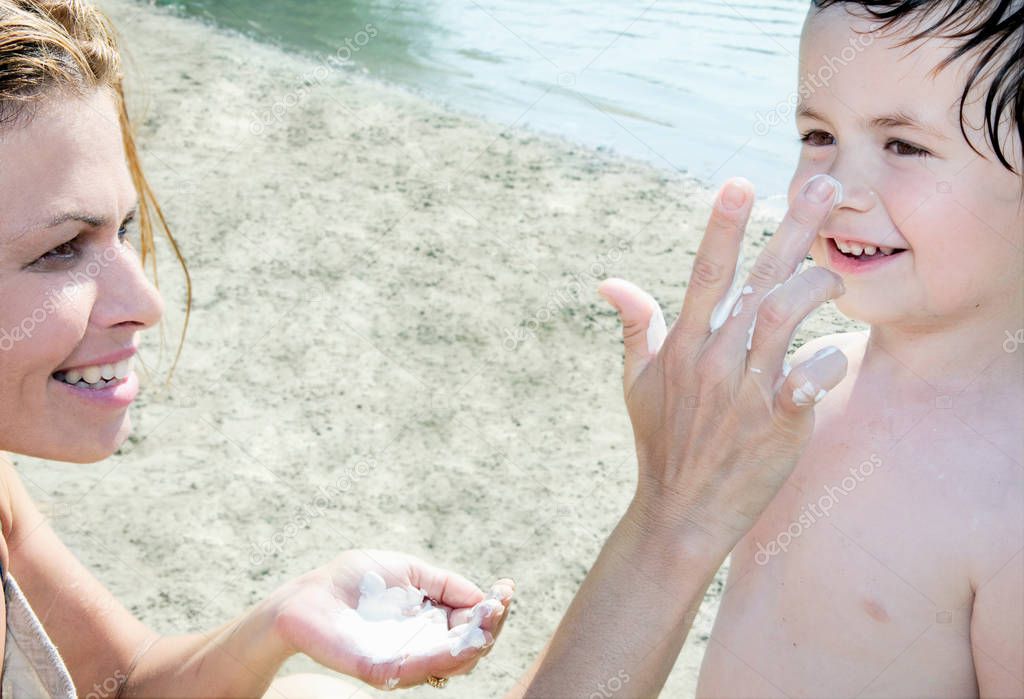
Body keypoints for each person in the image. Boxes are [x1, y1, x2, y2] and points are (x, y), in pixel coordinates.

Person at [516, 1, 1024, 697]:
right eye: (818, 134)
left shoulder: (1008, 497)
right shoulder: (788, 400)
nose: (831, 187)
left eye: (903, 145)